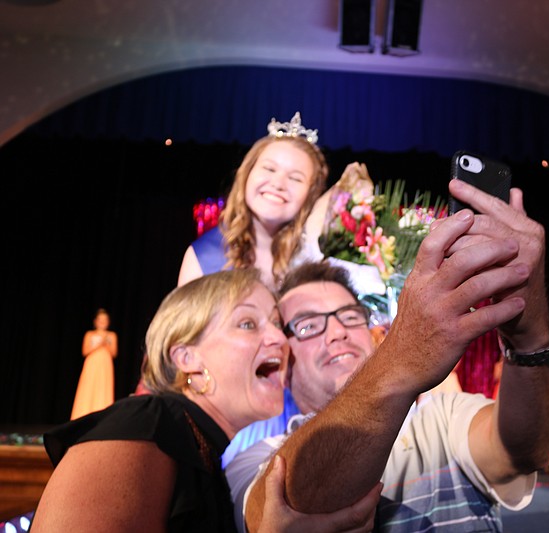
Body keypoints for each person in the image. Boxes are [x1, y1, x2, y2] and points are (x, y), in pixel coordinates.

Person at [232, 178, 549, 531]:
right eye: (307, 325)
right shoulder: (258, 457)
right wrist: (403, 356)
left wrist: (530, 334)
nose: (337, 332)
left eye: (350, 316)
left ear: (373, 334)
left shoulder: (442, 418)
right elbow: (283, 507)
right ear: (283, 364)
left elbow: (528, 450)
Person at [33, 269, 378, 532]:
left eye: (276, 323)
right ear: (186, 358)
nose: (278, 338)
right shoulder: (147, 425)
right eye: (247, 323)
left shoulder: (202, 450)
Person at [175, 112, 329, 465]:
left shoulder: (316, 263)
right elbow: (184, 349)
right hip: (222, 418)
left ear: (309, 194)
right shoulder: (204, 255)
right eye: (269, 169)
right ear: (248, 174)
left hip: (299, 419)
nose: (279, 183)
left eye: (295, 177)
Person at [70, 308, 117, 420]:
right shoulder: (90, 334)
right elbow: (85, 351)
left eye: (105, 320)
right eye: (100, 320)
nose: (102, 322)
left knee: (103, 387)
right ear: (96, 322)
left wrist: (106, 342)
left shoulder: (112, 335)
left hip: (105, 364)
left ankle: (103, 415)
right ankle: (83, 414)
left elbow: (114, 353)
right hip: (92, 363)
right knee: (89, 387)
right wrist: (99, 343)